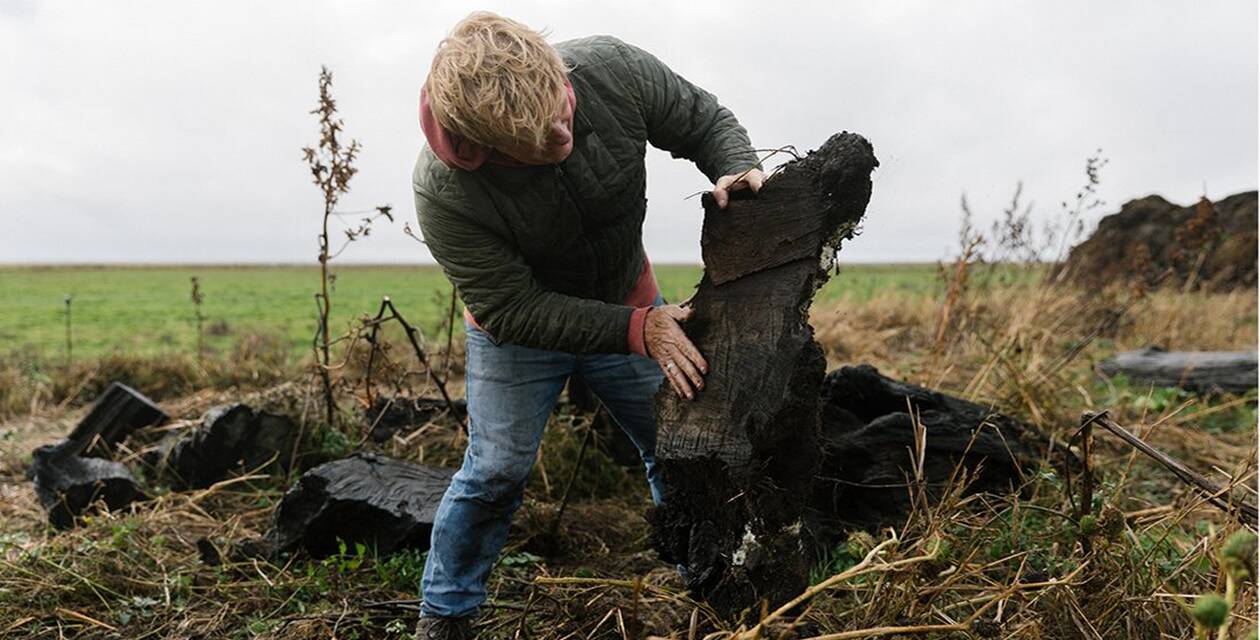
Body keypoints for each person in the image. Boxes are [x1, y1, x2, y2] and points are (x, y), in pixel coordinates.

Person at [410, 11, 763, 639]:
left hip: (630, 300)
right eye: (534, 138)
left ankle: (708, 589)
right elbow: (511, 308)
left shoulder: (608, 68)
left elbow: (703, 119)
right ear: (483, 145)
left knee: (675, 447)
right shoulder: (444, 190)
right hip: (517, 335)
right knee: (495, 472)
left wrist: (734, 165)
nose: (558, 131)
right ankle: (446, 614)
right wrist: (640, 331)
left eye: (562, 110)